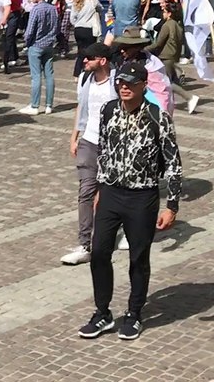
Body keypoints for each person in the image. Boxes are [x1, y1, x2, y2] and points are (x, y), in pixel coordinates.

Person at [79, 60, 182, 343]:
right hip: (111, 192)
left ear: (143, 86)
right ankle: (102, 312)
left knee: (138, 258)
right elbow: (104, 150)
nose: (124, 87)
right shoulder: (108, 111)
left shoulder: (157, 117)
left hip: (142, 196)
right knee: (99, 252)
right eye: (120, 82)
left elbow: (174, 163)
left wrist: (172, 205)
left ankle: (134, 313)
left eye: (130, 83)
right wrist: (100, 186)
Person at [61, 43, 116, 266]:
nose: (84, 61)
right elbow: (80, 108)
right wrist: (75, 136)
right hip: (89, 141)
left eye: (89, 58)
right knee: (86, 193)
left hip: (112, 146)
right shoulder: (86, 80)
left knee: (110, 194)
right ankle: (85, 244)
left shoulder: (116, 83)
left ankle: (109, 234)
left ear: (102, 60)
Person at [20, 0, 58, 115]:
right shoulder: (53, 9)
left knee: (36, 76)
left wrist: (26, 41)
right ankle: (49, 105)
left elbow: (30, 30)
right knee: (49, 75)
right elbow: (55, 27)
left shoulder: (36, 9)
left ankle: (35, 105)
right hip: (49, 44)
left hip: (36, 45)